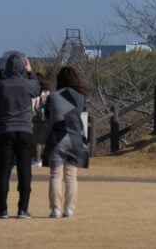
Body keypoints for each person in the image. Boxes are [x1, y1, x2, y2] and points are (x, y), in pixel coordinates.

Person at [0, 52, 41, 219]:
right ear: (22, 67)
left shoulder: (0, 86)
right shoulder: (28, 85)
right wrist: (30, 70)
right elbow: (38, 87)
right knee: (24, 171)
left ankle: (2, 209)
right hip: (25, 131)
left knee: (3, 172)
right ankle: (23, 209)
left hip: (5, 131)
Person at [45, 66, 90, 219]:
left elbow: (48, 116)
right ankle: (69, 209)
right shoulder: (80, 96)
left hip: (57, 136)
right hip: (75, 137)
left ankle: (55, 209)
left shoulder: (52, 96)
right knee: (71, 175)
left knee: (55, 175)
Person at [32, 72, 51, 167]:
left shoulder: (37, 93)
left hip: (37, 117)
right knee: (45, 139)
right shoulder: (48, 92)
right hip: (47, 118)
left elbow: (34, 106)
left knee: (37, 139)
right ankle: (44, 159)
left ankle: (37, 160)